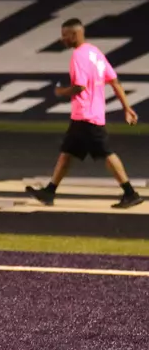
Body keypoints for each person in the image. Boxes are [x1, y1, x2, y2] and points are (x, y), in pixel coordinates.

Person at [26, 18, 143, 209]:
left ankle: (130, 193)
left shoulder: (79, 56)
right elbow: (114, 80)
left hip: (87, 115)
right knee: (67, 153)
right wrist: (127, 107)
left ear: (74, 34)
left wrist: (60, 92)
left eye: (65, 35)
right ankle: (49, 192)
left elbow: (79, 86)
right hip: (86, 114)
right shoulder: (94, 52)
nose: (62, 39)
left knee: (105, 153)